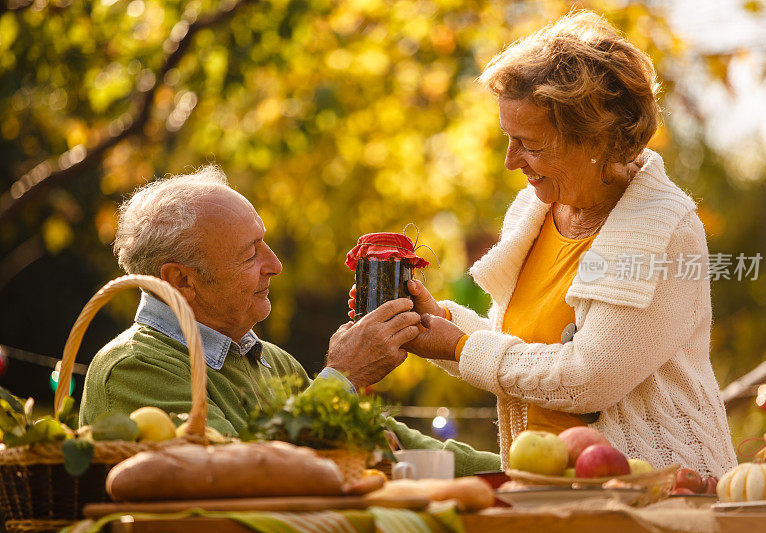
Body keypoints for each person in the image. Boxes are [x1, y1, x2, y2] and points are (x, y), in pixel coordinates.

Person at [394, 11, 737, 477]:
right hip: (549, 492)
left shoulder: (664, 231)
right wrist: (441, 320)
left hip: (657, 493)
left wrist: (459, 347)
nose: (511, 160)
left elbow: (587, 378)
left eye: (529, 144)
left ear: (593, 139)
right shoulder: (533, 211)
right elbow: (519, 350)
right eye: (508, 139)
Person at [79, 165, 499, 477]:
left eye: (266, 243)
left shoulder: (271, 362)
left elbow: (406, 445)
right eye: (250, 254)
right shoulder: (134, 369)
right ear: (181, 279)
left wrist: (518, 472)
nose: (275, 264)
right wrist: (342, 376)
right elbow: (237, 478)